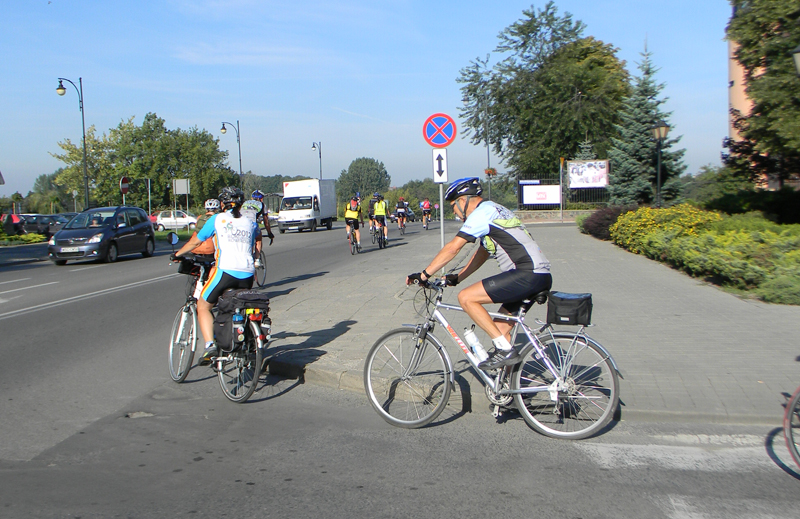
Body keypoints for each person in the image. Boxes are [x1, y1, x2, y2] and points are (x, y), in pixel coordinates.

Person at [406, 177, 552, 370]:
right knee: (500, 329)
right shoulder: (495, 209)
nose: (454, 212)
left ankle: (505, 351)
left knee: (466, 298)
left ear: (462, 201)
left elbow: (453, 248)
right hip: (540, 275)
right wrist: (458, 277)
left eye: (453, 206)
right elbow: (483, 253)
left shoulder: (481, 214)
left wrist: (424, 274)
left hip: (526, 273)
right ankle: (509, 384)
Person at [171, 187, 262, 366]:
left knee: (203, 306)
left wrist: (177, 254)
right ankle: (245, 341)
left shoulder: (217, 219)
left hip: (225, 271)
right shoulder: (250, 222)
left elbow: (196, 241)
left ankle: (210, 345)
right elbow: (256, 239)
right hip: (247, 273)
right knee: (238, 305)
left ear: (222, 204)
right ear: (241, 204)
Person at [242, 190, 275, 268]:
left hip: (240, 224)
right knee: (258, 238)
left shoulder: (244, 203)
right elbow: (266, 222)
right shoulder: (262, 205)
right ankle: (257, 260)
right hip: (251, 224)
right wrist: (269, 233)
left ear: (251, 198)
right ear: (261, 199)